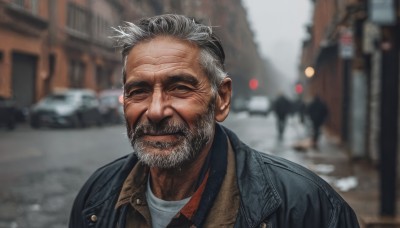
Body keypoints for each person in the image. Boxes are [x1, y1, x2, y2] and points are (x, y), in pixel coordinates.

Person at [69, 14, 359, 228]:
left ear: (221, 99)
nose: (156, 111)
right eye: (139, 91)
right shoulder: (97, 195)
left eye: (179, 88)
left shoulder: (306, 206)